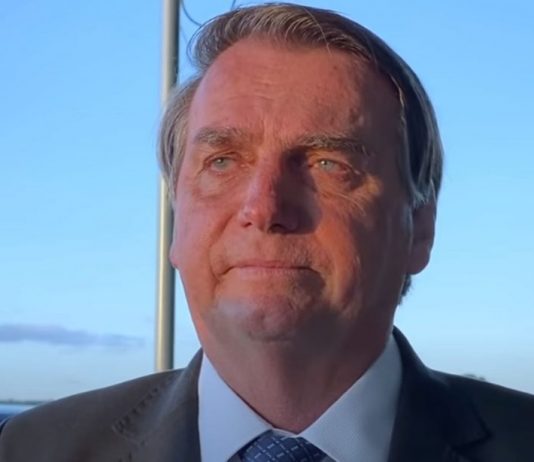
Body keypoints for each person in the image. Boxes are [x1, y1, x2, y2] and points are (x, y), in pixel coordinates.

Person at [1, 3, 533, 461]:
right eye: (222, 161)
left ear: (420, 229)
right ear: (177, 221)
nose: (264, 207)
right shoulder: (30, 448)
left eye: (329, 164)